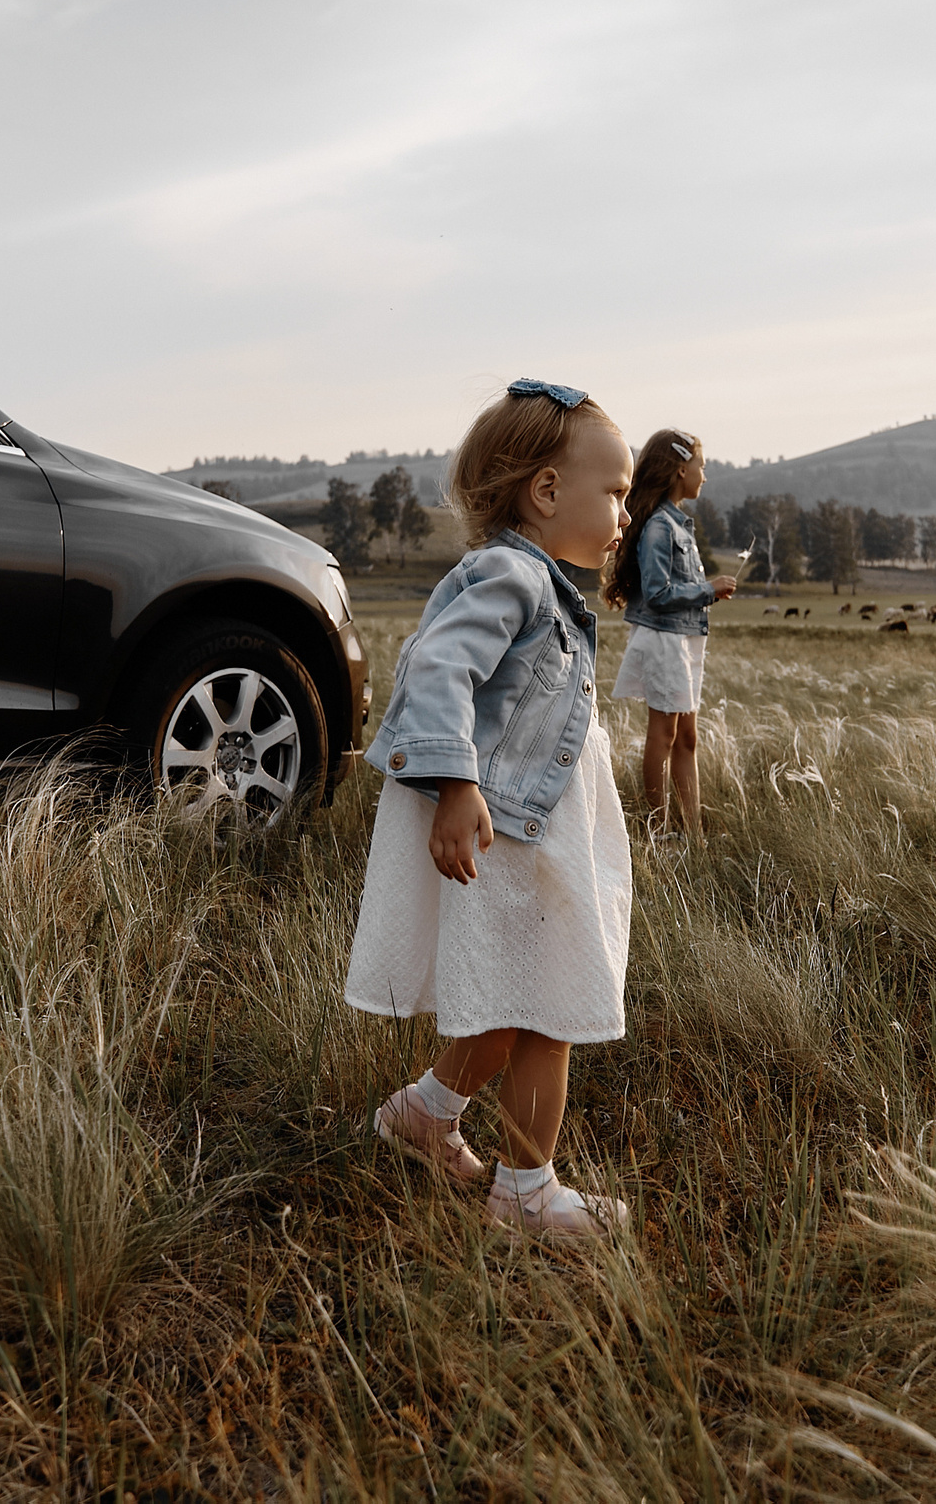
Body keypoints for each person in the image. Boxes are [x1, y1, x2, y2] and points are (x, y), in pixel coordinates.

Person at [343, 378, 636, 1238]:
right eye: (614, 491)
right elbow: (435, 667)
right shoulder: (511, 575)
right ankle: (525, 1193)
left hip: (531, 830)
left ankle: (425, 1116)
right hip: (509, 833)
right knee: (551, 1006)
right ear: (547, 491)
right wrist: (457, 783)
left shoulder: (542, 584)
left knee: (512, 1003)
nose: (626, 511)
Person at [602, 429, 738, 837]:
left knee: (687, 737)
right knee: (663, 735)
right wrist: (707, 589)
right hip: (662, 639)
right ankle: (657, 829)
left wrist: (704, 594)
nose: (705, 475)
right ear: (681, 469)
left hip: (682, 638)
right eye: (702, 466)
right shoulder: (661, 526)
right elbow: (658, 593)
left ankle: (692, 832)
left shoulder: (677, 524)